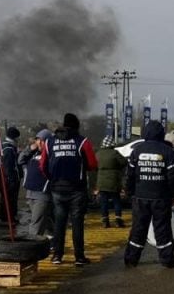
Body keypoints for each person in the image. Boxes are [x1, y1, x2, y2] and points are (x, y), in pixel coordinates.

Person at [123, 120, 174, 268]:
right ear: (161, 134)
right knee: (162, 229)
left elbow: (129, 174)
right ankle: (167, 260)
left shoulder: (137, 150)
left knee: (138, 228)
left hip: (140, 197)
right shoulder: (168, 151)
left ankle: (131, 258)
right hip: (161, 197)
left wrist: (129, 192)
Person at [40, 113, 98, 266]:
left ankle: (57, 256)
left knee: (59, 223)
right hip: (77, 189)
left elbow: (43, 166)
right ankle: (79, 257)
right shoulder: (82, 141)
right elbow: (92, 164)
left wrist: (51, 178)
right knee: (77, 223)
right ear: (77, 126)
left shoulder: (49, 141)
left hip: (57, 189)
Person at [19, 129, 54, 237]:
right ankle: (53, 238)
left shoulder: (52, 155)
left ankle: (33, 244)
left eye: (41, 140)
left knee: (36, 222)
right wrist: (29, 149)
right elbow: (20, 160)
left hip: (43, 194)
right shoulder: (34, 153)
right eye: (37, 140)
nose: (38, 142)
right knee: (45, 219)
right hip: (30, 193)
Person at [95, 134, 128, 228]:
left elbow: (94, 165)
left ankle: (105, 220)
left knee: (104, 201)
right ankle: (118, 220)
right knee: (116, 200)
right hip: (114, 180)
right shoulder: (115, 153)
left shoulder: (98, 153)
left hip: (101, 181)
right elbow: (124, 162)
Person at [0, 126, 21, 227]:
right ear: (14, 137)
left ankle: (6, 216)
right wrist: (11, 179)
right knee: (9, 198)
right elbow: (8, 166)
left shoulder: (3, 145)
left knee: (5, 197)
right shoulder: (8, 148)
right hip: (8, 177)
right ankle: (8, 218)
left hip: (3, 176)